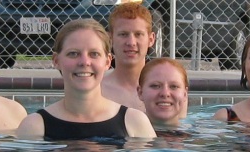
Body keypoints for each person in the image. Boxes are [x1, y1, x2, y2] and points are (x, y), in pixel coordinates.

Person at [16, 19, 156, 140]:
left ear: (107, 61)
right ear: (56, 60)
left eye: (94, 54)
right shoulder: (34, 127)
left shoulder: (134, 122)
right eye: (73, 54)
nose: (84, 62)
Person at [101, 2, 158, 110]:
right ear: (110, 39)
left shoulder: (165, 91)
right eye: (123, 34)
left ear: (151, 39)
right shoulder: (96, 89)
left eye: (138, 34)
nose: (131, 42)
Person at [137, 58, 188, 130]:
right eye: (155, 86)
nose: (165, 93)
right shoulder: (120, 133)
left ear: (185, 94)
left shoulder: (199, 133)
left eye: (174, 86)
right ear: (140, 93)